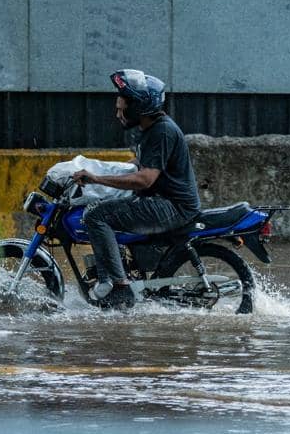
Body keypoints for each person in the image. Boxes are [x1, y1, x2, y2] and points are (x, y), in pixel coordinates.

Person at [71, 69, 201, 309]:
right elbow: (142, 164)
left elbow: (145, 179)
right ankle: (119, 271)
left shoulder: (162, 131)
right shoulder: (152, 130)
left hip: (172, 206)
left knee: (97, 215)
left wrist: (97, 179)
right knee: (104, 210)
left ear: (140, 107)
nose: (118, 114)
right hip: (163, 201)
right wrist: (99, 168)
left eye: (122, 109)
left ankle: (120, 286)